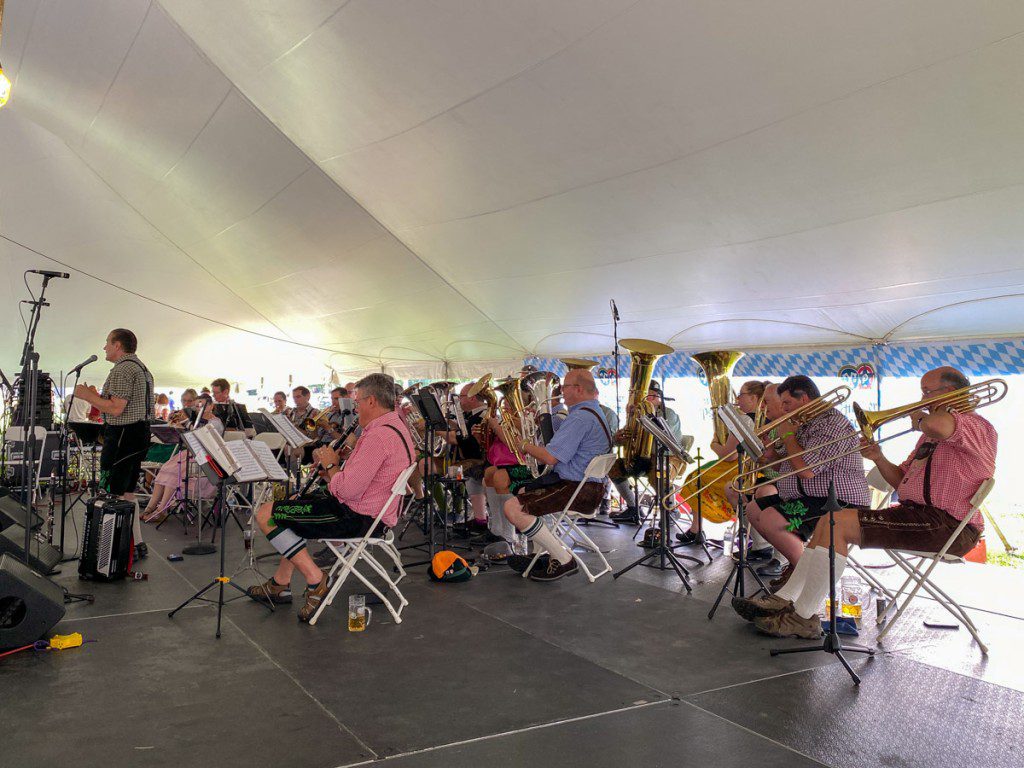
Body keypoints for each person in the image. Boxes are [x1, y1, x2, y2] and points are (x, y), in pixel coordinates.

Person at [733, 367, 996, 639]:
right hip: (919, 515)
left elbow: (934, 424)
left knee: (836, 522)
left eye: (927, 392)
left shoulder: (977, 426)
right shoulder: (929, 436)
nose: (922, 399)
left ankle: (802, 616)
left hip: (948, 525)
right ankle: (787, 599)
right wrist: (878, 457)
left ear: (950, 393)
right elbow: (901, 482)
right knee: (829, 522)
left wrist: (919, 417)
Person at [247, 374, 414, 622]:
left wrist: (331, 465)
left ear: (371, 401)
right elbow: (359, 480)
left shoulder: (378, 437)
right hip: (369, 512)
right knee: (293, 504)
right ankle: (281, 582)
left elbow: (347, 490)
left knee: (267, 514)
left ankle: (316, 580)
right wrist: (334, 469)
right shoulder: (395, 427)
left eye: (357, 402)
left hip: (356, 517)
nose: (355, 408)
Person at [743, 375, 869, 591]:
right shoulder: (805, 422)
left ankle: (804, 579)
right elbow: (788, 466)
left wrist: (788, 436)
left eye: (786, 403)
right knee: (754, 509)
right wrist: (771, 457)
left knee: (772, 519)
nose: (783, 408)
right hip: (809, 497)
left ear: (803, 399)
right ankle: (797, 567)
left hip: (837, 500)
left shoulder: (830, 424)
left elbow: (806, 471)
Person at [501, 369, 613, 582]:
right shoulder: (593, 412)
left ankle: (563, 559)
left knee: (512, 508)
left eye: (565, 387)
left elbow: (550, 458)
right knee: (525, 490)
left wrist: (523, 445)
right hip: (587, 488)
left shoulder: (579, 418)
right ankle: (541, 553)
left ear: (578, 389)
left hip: (576, 489)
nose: (560, 391)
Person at [74, 328, 154, 559]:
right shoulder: (141, 368)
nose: (104, 347)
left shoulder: (123, 369)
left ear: (118, 345)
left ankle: (115, 551)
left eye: (107, 342)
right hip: (138, 434)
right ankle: (136, 544)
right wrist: (97, 397)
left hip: (122, 436)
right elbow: (124, 403)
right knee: (127, 492)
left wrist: (86, 396)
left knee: (114, 492)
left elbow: (117, 409)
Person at [676, 380, 771, 547]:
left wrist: (714, 444)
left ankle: (697, 528)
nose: (738, 399)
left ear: (754, 398)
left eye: (741, 395)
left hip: (740, 468)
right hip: (754, 468)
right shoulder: (766, 418)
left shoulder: (744, 420)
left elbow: (728, 456)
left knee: (695, 478)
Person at [610, 380, 683, 524]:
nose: (642, 399)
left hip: (668, 458)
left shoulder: (669, 414)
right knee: (613, 468)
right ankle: (633, 507)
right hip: (644, 459)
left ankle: (671, 510)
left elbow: (664, 441)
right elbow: (625, 438)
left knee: (658, 472)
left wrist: (647, 417)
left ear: (656, 396)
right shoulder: (638, 413)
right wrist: (619, 438)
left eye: (647, 396)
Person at [142, 395, 223, 523]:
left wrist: (186, 422)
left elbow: (201, 436)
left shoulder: (215, 422)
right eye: (198, 406)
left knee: (175, 473)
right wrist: (177, 426)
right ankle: (150, 507)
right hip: (191, 454)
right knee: (165, 468)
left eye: (203, 405)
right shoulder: (197, 420)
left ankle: (162, 510)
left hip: (207, 459)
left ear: (211, 406)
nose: (200, 408)